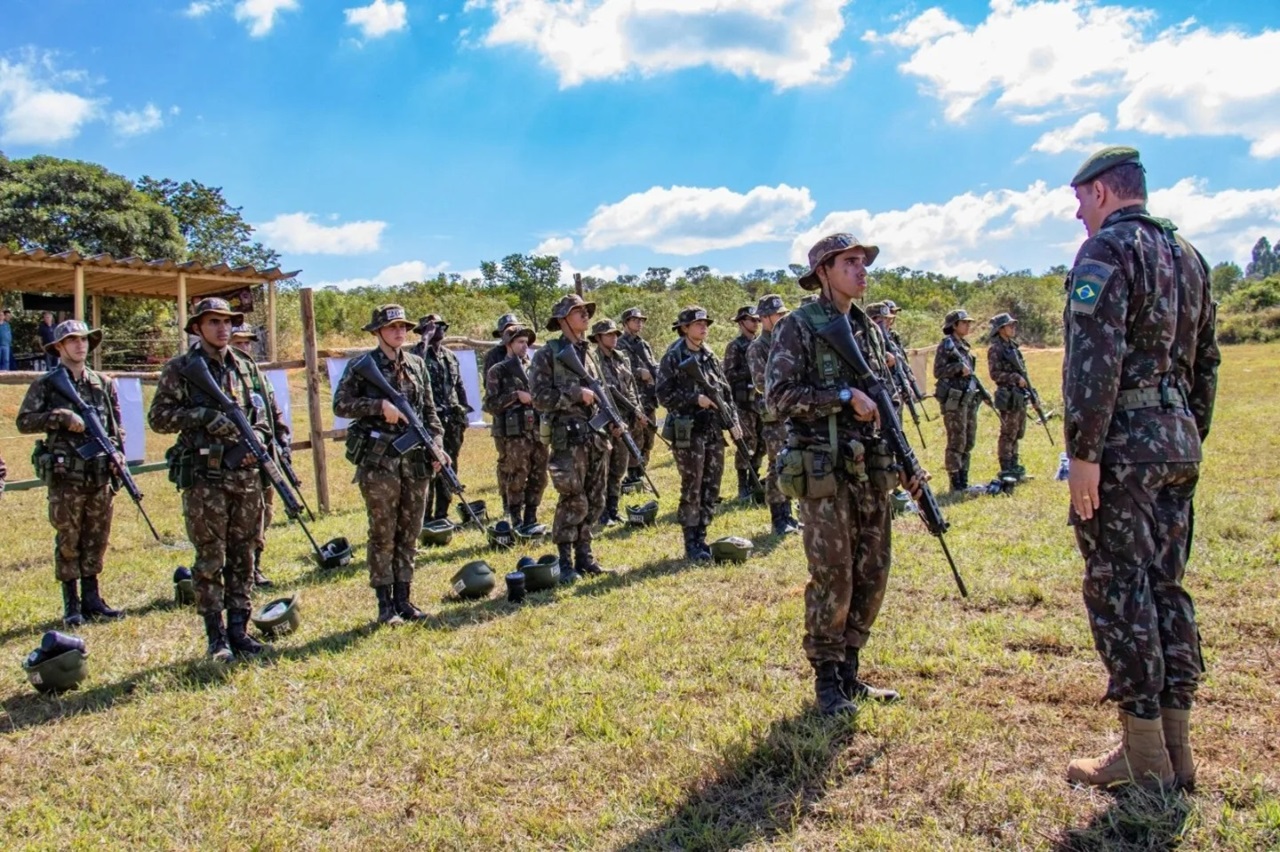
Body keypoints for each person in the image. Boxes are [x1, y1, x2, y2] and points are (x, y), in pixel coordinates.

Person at [1061, 146, 1219, 790]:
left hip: (1123, 446)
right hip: (1177, 440)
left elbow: (1092, 363)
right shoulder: (1189, 257)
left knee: (1119, 588)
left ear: (1101, 192)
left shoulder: (1107, 252)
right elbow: (1207, 362)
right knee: (1165, 586)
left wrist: (1085, 454)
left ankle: (1144, 756)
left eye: (1079, 199)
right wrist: (1183, 430)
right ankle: (1176, 751)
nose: (1077, 213)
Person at [767, 234, 921, 716]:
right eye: (850, 263)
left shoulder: (868, 329)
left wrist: (907, 464)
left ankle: (851, 670)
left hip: (870, 469)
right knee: (833, 575)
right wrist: (839, 397)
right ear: (824, 272)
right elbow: (777, 397)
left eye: (863, 262)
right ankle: (828, 681)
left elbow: (885, 403)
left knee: (873, 571)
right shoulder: (798, 327)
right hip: (825, 470)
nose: (862, 270)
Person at [149, 299, 271, 660]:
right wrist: (200, 415)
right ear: (197, 328)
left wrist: (260, 439)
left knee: (244, 554)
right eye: (214, 322)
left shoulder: (247, 367)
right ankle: (216, 636)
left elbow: (261, 413)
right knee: (210, 559)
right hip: (206, 478)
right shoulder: (181, 368)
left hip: (245, 477)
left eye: (227, 322)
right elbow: (158, 418)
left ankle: (240, 628)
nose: (222, 328)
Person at [334, 305, 447, 626]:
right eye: (392, 326)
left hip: (416, 461)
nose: (399, 331)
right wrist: (378, 405)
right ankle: (385, 605)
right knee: (383, 532)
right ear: (377, 332)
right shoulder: (361, 366)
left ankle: (404, 599)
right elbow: (340, 405)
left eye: (402, 327)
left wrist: (437, 444)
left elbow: (429, 412)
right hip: (380, 460)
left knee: (409, 531)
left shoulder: (416, 365)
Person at [17, 320, 126, 627]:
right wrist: (59, 417)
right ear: (60, 347)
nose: (81, 345)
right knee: (69, 537)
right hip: (67, 475)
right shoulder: (48, 384)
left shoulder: (103, 383)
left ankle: (93, 599)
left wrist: (119, 453)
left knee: (96, 536)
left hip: (99, 472)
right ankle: (72, 604)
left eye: (85, 340)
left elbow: (117, 427)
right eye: (73, 340)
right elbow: (24, 421)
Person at [529, 294, 613, 583]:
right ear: (563, 319)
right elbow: (539, 399)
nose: (585, 315)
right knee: (573, 500)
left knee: (595, 498)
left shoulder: (589, 352)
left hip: (595, 437)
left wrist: (612, 420)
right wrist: (575, 395)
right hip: (568, 439)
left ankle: (585, 557)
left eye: (585, 311)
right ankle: (565, 563)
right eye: (578, 312)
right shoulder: (547, 354)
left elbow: (600, 391)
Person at [656, 306, 741, 562]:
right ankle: (691, 541)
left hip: (713, 429)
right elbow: (663, 394)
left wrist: (733, 421)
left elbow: (724, 390)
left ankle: (702, 534)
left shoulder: (709, 354)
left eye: (705, 323)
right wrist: (696, 399)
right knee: (692, 486)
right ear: (684, 328)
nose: (703, 327)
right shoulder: (673, 355)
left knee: (712, 485)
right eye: (698, 324)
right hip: (688, 430)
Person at [230, 324, 288, 588]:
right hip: (238, 458)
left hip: (266, 452)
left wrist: (283, 437)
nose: (244, 348)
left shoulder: (257, 376)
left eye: (247, 343)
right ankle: (240, 569)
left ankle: (256, 565)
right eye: (238, 342)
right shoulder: (224, 377)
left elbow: (273, 409)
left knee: (265, 509)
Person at [484, 324, 547, 530]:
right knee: (517, 475)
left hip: (537, 429)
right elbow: (490, 404)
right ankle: (515, 517)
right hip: (514, 434)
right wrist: (515, 396)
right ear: (509, 344)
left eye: (526, 342)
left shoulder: (534, 367)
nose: (524, 346)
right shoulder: (498, 370)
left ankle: (531, 515)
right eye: (520, 342)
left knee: (540, 475)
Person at [747, 294, 800, 536]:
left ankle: (791, 513)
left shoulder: (789, 341)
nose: (781, 319)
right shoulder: (758, 347)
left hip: (795, 412)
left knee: (796, 462)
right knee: (777, 464)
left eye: (783, 314)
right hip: (775, 415)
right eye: (777, 315)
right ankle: (779, 516)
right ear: (764, 318)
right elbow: (761, 382)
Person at [413, 314, 471, 523]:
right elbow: (416, 364)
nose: (441, 329)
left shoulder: (450, 356)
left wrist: (464, 411)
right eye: (435, 326)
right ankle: (425, 517)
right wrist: (425, 339)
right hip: (428, 422)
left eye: (443, 326)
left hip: (451, 420)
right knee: (429, 468)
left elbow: (459, 385)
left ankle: (442, 515)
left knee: (449, 466)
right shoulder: (416, 355)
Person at [589, 318, 643, 526]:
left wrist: (636, 409)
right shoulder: (593, 361)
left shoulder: (622, 358)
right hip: (605, 421)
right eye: (609, 334)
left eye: (615, 334)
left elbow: (630, 388)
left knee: (619, 468)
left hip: (624, 420)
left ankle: (613, 508)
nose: (613, 338)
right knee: (603, 469)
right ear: (598, 338)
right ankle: (601, 512)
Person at [933, 308, 981, 490]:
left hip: (968, 398)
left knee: (969, 439)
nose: (968, 326)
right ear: (954, 325)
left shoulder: (964, 346)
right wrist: (957, 369)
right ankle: (955, 481)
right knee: (956, 440)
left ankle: (964, 477)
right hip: (954, 398)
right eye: (965, 323)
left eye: (969, 323)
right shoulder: (946, 344)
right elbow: (938, 372)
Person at [723, 305, 765, 501]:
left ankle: (754, 480)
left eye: (757, 319)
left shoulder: (762, 343)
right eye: (751, 320)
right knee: (746, 443)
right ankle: (742, 486)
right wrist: (751, 370)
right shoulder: (735, 346)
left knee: (762, 443)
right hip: (743, 402)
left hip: (761, 402)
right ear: (741, 323)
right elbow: (728, 375)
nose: (756, 323)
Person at [482, 312, 522, 514]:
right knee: (506, 463)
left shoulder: (523, 353)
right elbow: (491, 393)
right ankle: (507, 503)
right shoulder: (494, 357)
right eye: (508, 330)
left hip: (524, 420)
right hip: (504, 418)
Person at [616, 307, 660, 485]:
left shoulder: (644, 344)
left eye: (641, 320)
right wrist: (637, 373)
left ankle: (642, 471)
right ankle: (633, 475)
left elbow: (652, 365)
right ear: (626, 323)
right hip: (633, 399)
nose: (639, 323)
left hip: (648, 397)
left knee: (649, 436)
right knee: (636, 437)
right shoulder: (619, 344)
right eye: (635, 320)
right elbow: (615, 371)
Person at [986, 313, 1030, 482]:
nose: (1013, 328)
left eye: (1013, 325)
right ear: (1000, 329)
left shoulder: (1013, 347)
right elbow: (995, 374)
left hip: (1019, 395)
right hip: (1008, 395)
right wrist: (1014, 378)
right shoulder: (996, 349)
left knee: (1018, 432)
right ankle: (1006, 469)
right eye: (1009, 325)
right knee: (1008, 433)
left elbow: (1023, 372)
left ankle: (1014, 465)